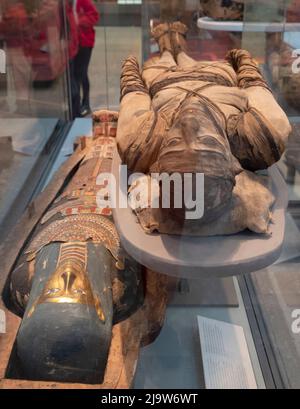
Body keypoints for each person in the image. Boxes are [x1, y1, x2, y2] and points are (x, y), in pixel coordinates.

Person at [74, 0, 99, 116]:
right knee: (76, 74)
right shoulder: (66, 3)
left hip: (84, 42)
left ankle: (85, 103)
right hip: (73, 43)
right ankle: (77, 104)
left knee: (81, 72)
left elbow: (94, 16)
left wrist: (78, 22)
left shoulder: (84, 1)